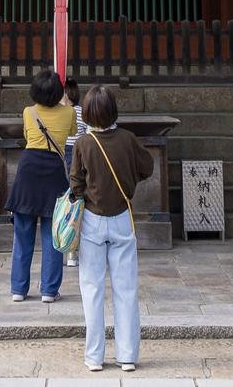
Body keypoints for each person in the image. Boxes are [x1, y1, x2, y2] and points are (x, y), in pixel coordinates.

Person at [69, 85, 153, 372]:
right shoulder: (128, 139)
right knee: (126, 289)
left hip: (92, 218)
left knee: (91, 288)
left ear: (88, 113)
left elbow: (75, 185)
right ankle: (127, 355)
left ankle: (94, 356)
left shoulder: (83, 144)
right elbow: (147, 167)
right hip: (121, 217)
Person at [6, 69, 73, 303]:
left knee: (22, 235)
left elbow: (27, 135)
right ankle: (49, 290)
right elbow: (72, 132)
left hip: (28, 171)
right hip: (53, 171)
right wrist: (63, 105)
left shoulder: (29, 112)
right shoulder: (69, 113)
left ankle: (18, 289)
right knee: (51, 236)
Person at [62, 78, 85, 268]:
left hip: (72, 154)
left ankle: (71, 250)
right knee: (70, 203)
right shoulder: (68, 112)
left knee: (69, 203)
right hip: (69, 154)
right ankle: (70, 249)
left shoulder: (75, 111)